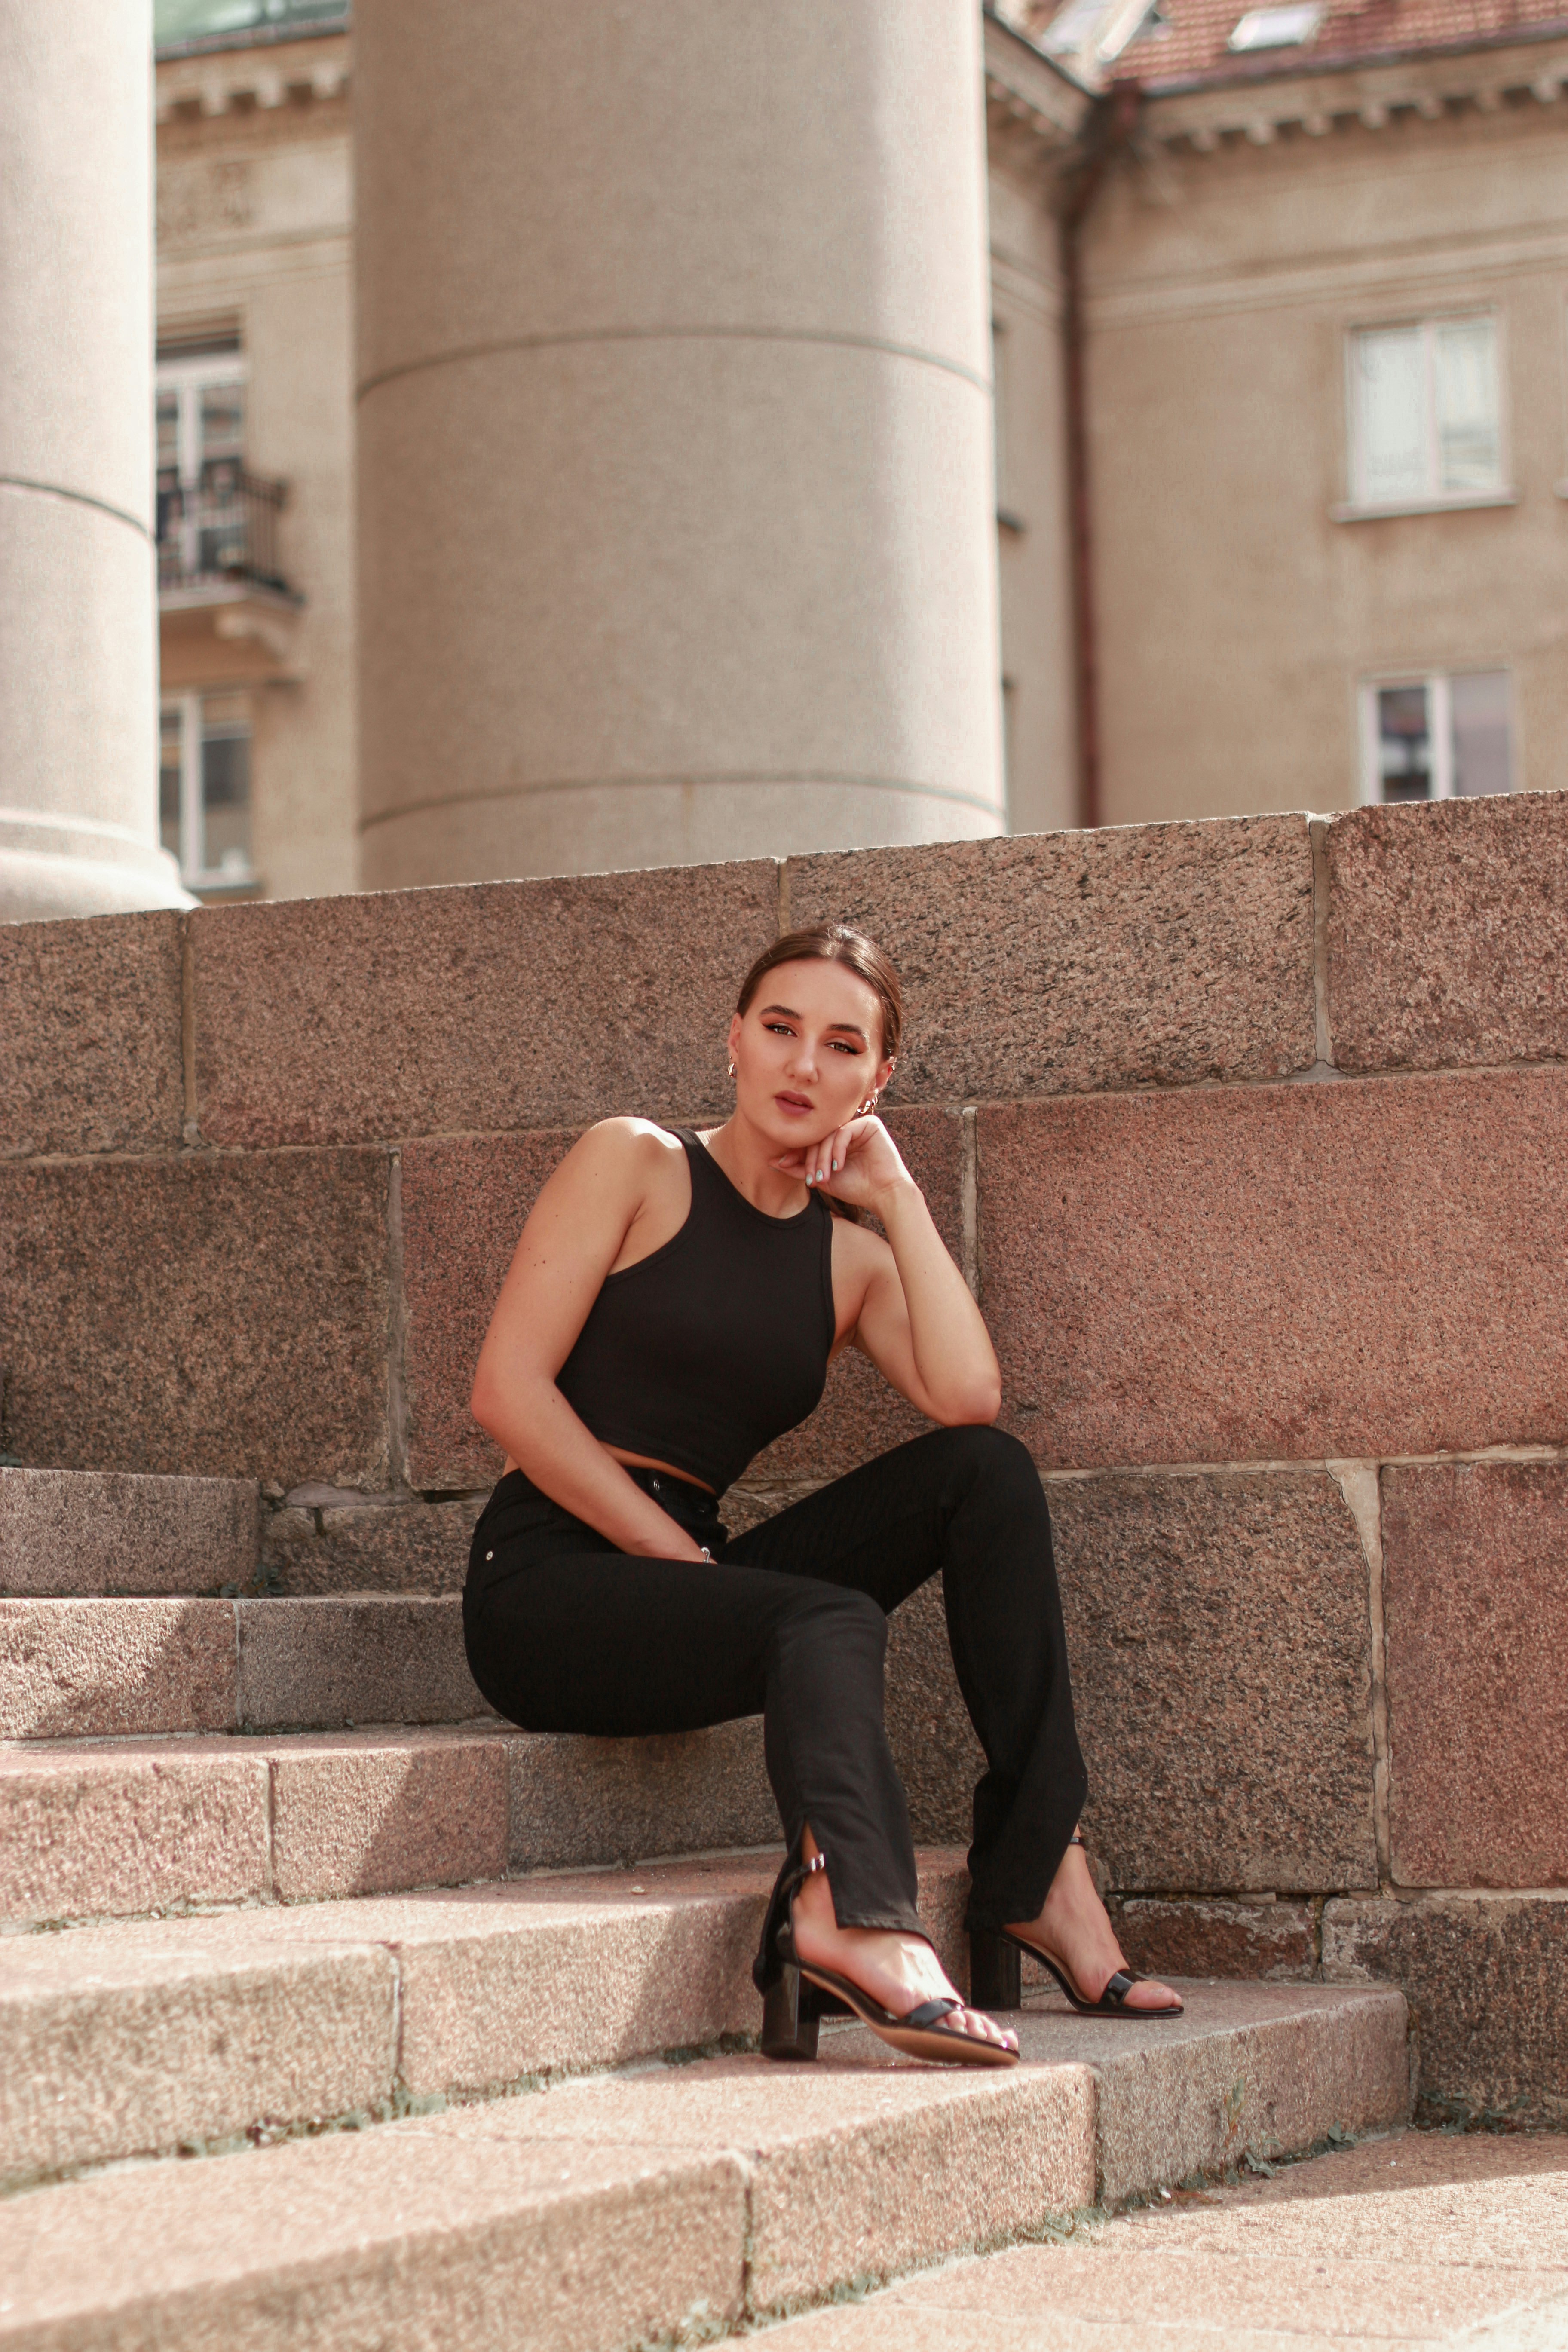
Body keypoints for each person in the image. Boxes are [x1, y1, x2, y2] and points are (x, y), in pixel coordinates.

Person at [465, 924, 1180, 2070]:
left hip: (695, 1580)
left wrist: (897, 1200)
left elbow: (966, 1395)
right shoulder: (638, 1161)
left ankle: (1040, 1869)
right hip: (549, 1584)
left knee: (985, 1474)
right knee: (825, 1612)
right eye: (781, 1030)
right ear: (735, 1041)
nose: (805, 1067)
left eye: (842, 1045)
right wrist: (673, 1556)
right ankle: (848, 1915)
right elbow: (507, 1391)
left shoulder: (846, 1258)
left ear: (878, 1078)